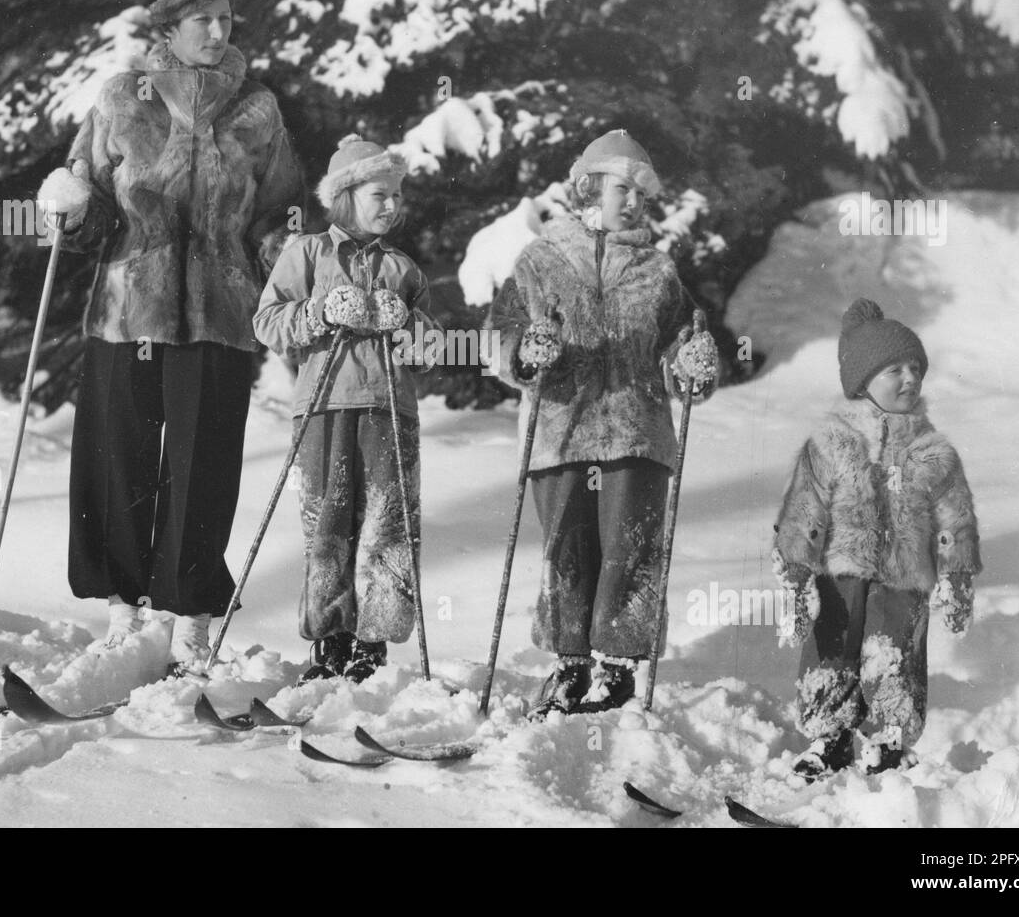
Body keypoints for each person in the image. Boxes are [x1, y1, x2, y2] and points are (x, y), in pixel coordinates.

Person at [35, 0, 304, 676]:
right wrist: (69, 203)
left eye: (224, 19)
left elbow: (280, 210)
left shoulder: (257, 109)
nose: (216, 32)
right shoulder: (123, 100)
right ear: (169, 29)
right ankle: (124, 612)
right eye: (200, 21)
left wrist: (286, 260)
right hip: (130, 306)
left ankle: (190, 620)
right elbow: (86, 201)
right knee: (116, 455)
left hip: (219, 310)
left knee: (204, 462)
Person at [488, 130, 718, 721]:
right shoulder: (540, 261)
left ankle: (617, 670)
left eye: (644, 193)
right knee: (568, 550)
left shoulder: (657, 270)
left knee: (630, 549)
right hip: (560, 431)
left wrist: (690, 363)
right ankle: (570, 667)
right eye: (624, 188)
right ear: (586, 187)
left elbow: (679, 346)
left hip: (636, 433)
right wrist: (525, 350)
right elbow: (499, 338)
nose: (635, 203)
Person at [773, 298, 981, 779]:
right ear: (862, 381)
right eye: (894, 369)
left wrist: (958, 576)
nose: (910, 378)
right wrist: (797, 570)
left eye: (916, 368)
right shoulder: (830, 443)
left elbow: (955, 522)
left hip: (904, 576)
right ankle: (831, 736)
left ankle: (889, 739)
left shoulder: (933, 451)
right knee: (834, 645)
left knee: (896, 652)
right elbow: (804, 510)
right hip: (839, 572)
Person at [254, 136, 436, 684]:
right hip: (323, 408)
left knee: (388, 526)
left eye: (398, 197)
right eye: (380, 194)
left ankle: (373, 648)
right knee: (327, 523)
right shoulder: (306, 253)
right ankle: (330, 643)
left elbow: (431, 346)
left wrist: (406, 324)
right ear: (344, 195)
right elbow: (267, 323)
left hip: (388, 411)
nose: (392, 206)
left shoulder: (402, 269)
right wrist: (320, 311)